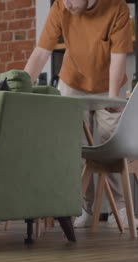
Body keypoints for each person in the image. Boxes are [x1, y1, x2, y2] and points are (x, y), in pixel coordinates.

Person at [24, 0, 138, 228]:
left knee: (112, 141)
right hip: (72, 82)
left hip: (109, 83)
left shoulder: (117, 8)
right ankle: (83, 209)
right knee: (74, 145)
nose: (66, 3)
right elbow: (41, 52)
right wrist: (21, 85)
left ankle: (123, 211)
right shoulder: (60, 7)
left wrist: (113, 98)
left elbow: (118, 59)